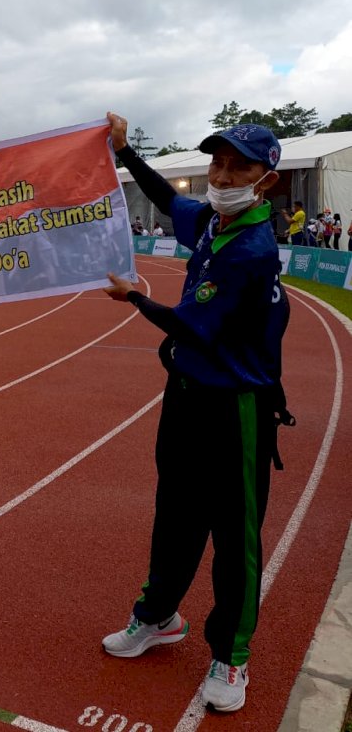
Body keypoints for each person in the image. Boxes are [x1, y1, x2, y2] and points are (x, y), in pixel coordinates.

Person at [100, 114, 291, 714]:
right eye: (216, 162)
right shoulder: (213, 221)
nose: (222, 174)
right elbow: (164, 197)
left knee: (235, 535)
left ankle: (232, 658)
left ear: (265, 179)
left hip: (234, 406)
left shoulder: (253, 250)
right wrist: (127, 153)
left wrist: (135, 297)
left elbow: (196, 328)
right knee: (175, 514)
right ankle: (157, 617)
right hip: (185, 394)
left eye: (238, 165)